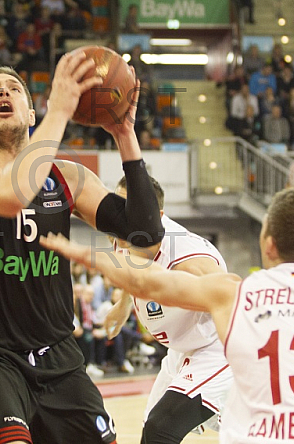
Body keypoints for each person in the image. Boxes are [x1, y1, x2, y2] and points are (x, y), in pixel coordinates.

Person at [41, 188, 294, 444]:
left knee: (161, 430)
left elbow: (151, 285)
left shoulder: (235, 293)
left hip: (247, 413)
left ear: (267, 244)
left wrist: (83, 254)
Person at [0, 53, 164, 444]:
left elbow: (145, 235)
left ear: (30, 114)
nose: (3, 92)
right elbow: (12, 194)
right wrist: (59, 109)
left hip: (56, 355)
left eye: (14, 89)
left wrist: (125, 135)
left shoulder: (68, 177)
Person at [104, 177, 233, 443]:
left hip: (215, 347)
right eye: (118, 205)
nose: (119, 216)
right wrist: (123, 305)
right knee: (151, 429)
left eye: (129, 210)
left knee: (160, 429)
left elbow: (233, 296)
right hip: (180, 350)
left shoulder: (188, 257)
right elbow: (137, 269)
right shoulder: (124, 235)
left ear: (157, 217)